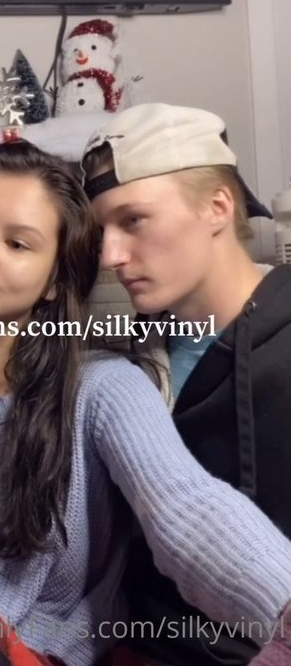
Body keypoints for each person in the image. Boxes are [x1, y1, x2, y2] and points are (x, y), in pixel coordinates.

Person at [0, 140, 291, 666]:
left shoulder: (104, 388)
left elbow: (185, 507)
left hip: (49, 657)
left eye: (18, 243)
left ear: (54, 281)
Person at [81, 102, 291, 665]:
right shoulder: (121, 363)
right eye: (101, 230)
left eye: (133, 220)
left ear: (217, 206)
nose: (110, 256)